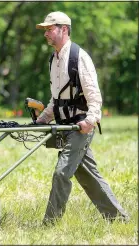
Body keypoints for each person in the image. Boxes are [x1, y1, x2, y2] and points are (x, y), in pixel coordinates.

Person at [35, 11, 129, 225]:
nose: (46, 34)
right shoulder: (54, 59)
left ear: (64, 29)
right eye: (46, 30)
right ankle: (119, 219)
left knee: (61, 173)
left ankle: (49, 224)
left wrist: (91, 120)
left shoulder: (79, 57)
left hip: (80, 126)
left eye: (50, 29)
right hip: (64, 125)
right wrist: (43, 119)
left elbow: (94, 95)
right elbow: (56, 98)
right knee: (88, 176)